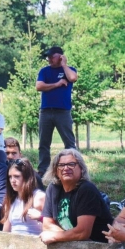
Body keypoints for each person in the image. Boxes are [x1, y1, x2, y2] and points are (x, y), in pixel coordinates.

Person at [35, 46, 78, 176]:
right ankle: (43, 170)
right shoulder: (44, 71)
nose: (48, 59)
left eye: (51, 57)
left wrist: (64, 65)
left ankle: (73, 166)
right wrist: (57, 84)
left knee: (69, 142)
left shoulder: (69, 70)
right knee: (44, 142)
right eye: (47, 57)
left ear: (60, 56)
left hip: (63, 112)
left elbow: (73, 78)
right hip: (46, 111)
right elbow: (39, 86)